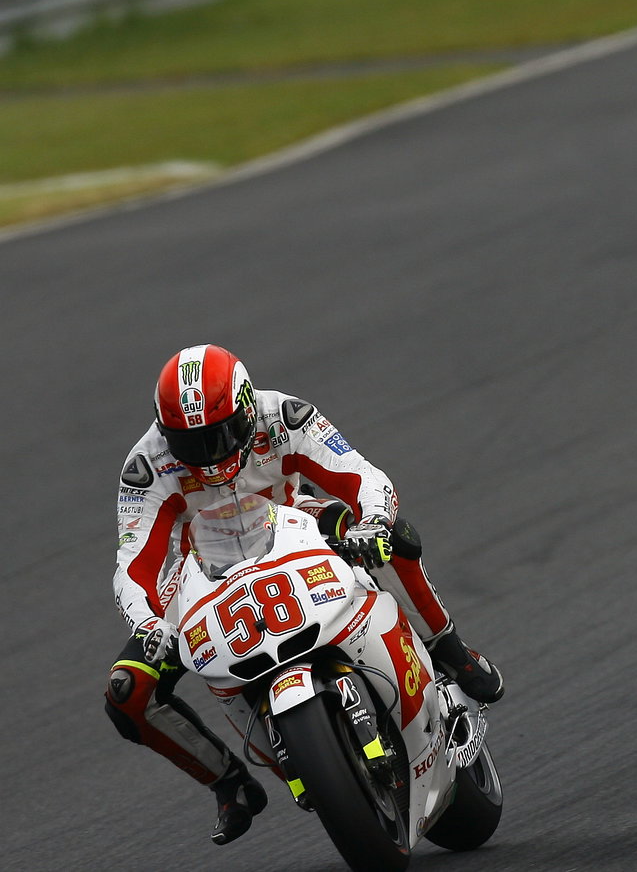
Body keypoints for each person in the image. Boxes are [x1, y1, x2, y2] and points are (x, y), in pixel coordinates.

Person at [105, 344, 504, 846]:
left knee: (392, 535)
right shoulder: (147, 466)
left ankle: (450, 647)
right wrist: (147, 623)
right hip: (202, 574)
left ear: (247, 411)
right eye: (193, 444)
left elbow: (362, 475)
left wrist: (373, 520)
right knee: (127, 691)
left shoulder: (285, 417)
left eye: (222, 436)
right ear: (166, 435)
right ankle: (231, 785)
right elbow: (132, 564)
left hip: (297, 532)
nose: (210, 457)